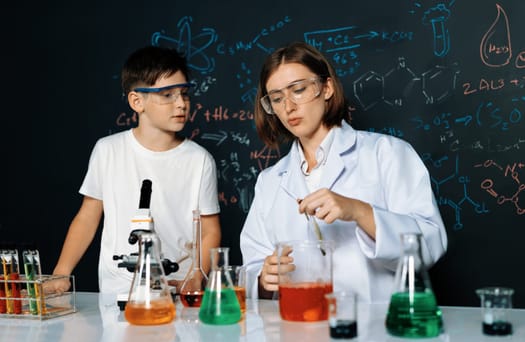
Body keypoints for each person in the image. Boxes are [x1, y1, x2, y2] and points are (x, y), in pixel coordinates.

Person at [240, 42, 447, 302]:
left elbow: (430, 244)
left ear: (326, 88)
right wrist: (263, 279)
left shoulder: (387, 153)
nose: (288, 107)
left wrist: (359, 211)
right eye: (277, 98)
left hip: (375, 330)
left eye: (299, 90)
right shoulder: (270, 181)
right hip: (300, 330)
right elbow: (252, 267)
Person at [50, 46, 221, 298]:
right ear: (136, 101)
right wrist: (61, 273)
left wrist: (196, 276)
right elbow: (88, 217)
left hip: (174, 290)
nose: (181, 104)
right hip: (118, 291)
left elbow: (210, 230)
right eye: (167, 95)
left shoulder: (199, 160)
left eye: (184, 94)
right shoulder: (108, 150)